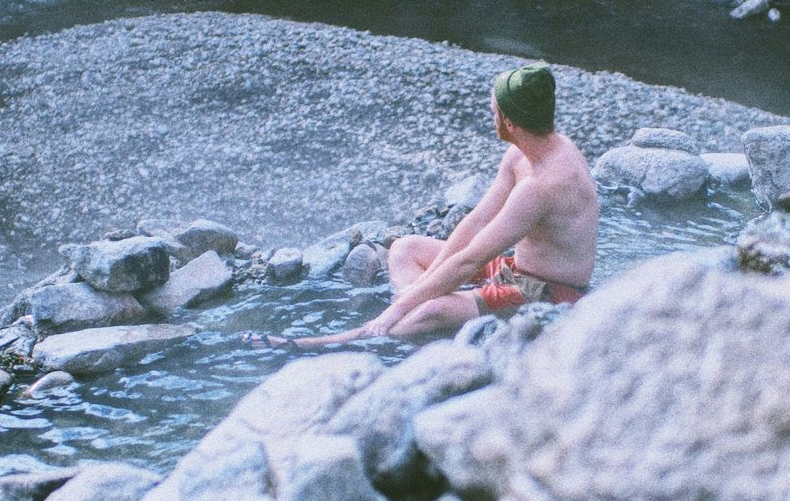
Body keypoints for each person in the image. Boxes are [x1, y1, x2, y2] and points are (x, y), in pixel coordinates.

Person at [252, 62, 598, 348]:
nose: (490, 117)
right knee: (404, 249)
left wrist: (402, 306)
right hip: (514, 270)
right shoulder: (526, 151)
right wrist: (420, 290)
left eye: (493, 111)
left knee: (424, 313)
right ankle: (412, 313)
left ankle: (337, 341)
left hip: (547, 294)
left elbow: (470, 259)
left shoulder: (541, 186)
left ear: (509, 122)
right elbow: (477, 221)